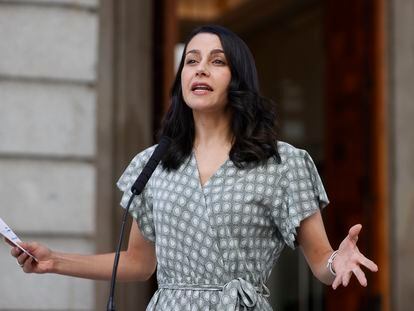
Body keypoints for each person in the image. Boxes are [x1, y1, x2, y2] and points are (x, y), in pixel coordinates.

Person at [6, 25, 378, 310]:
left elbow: (320, 264)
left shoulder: (283, 163)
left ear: (239, 79)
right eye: (191, 60)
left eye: (217, 61)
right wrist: (55, 261)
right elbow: (139, 263)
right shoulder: (152, 163)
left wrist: (336, 261)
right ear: (181, 78)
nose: (201, 69)